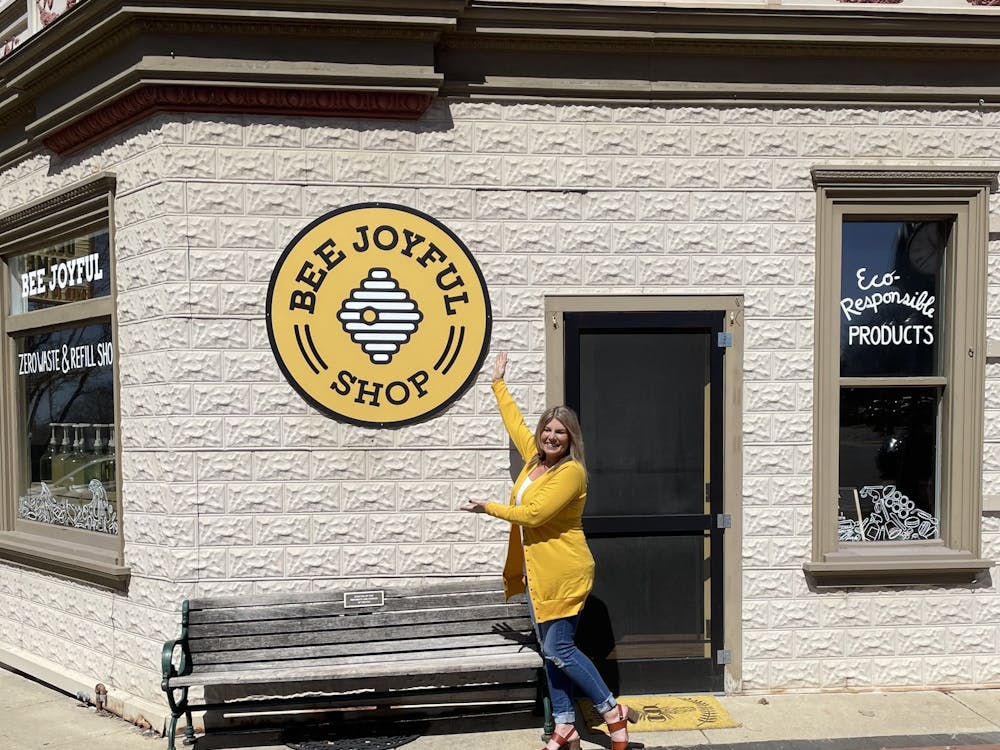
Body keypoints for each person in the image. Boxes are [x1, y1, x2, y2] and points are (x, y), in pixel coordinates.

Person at [461, 352, 638, 750]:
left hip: (565, 572)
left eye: (560, 432)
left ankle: (611, 710)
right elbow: (517, 426)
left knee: (560, 648)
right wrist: (498, 384)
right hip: (538, 574)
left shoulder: (571, 473)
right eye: (548, 430)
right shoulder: (534, 462)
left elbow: (535, 514)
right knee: (551, 651)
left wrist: (487, 506)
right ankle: (564, 724)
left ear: (571, 438)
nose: (551, 437)